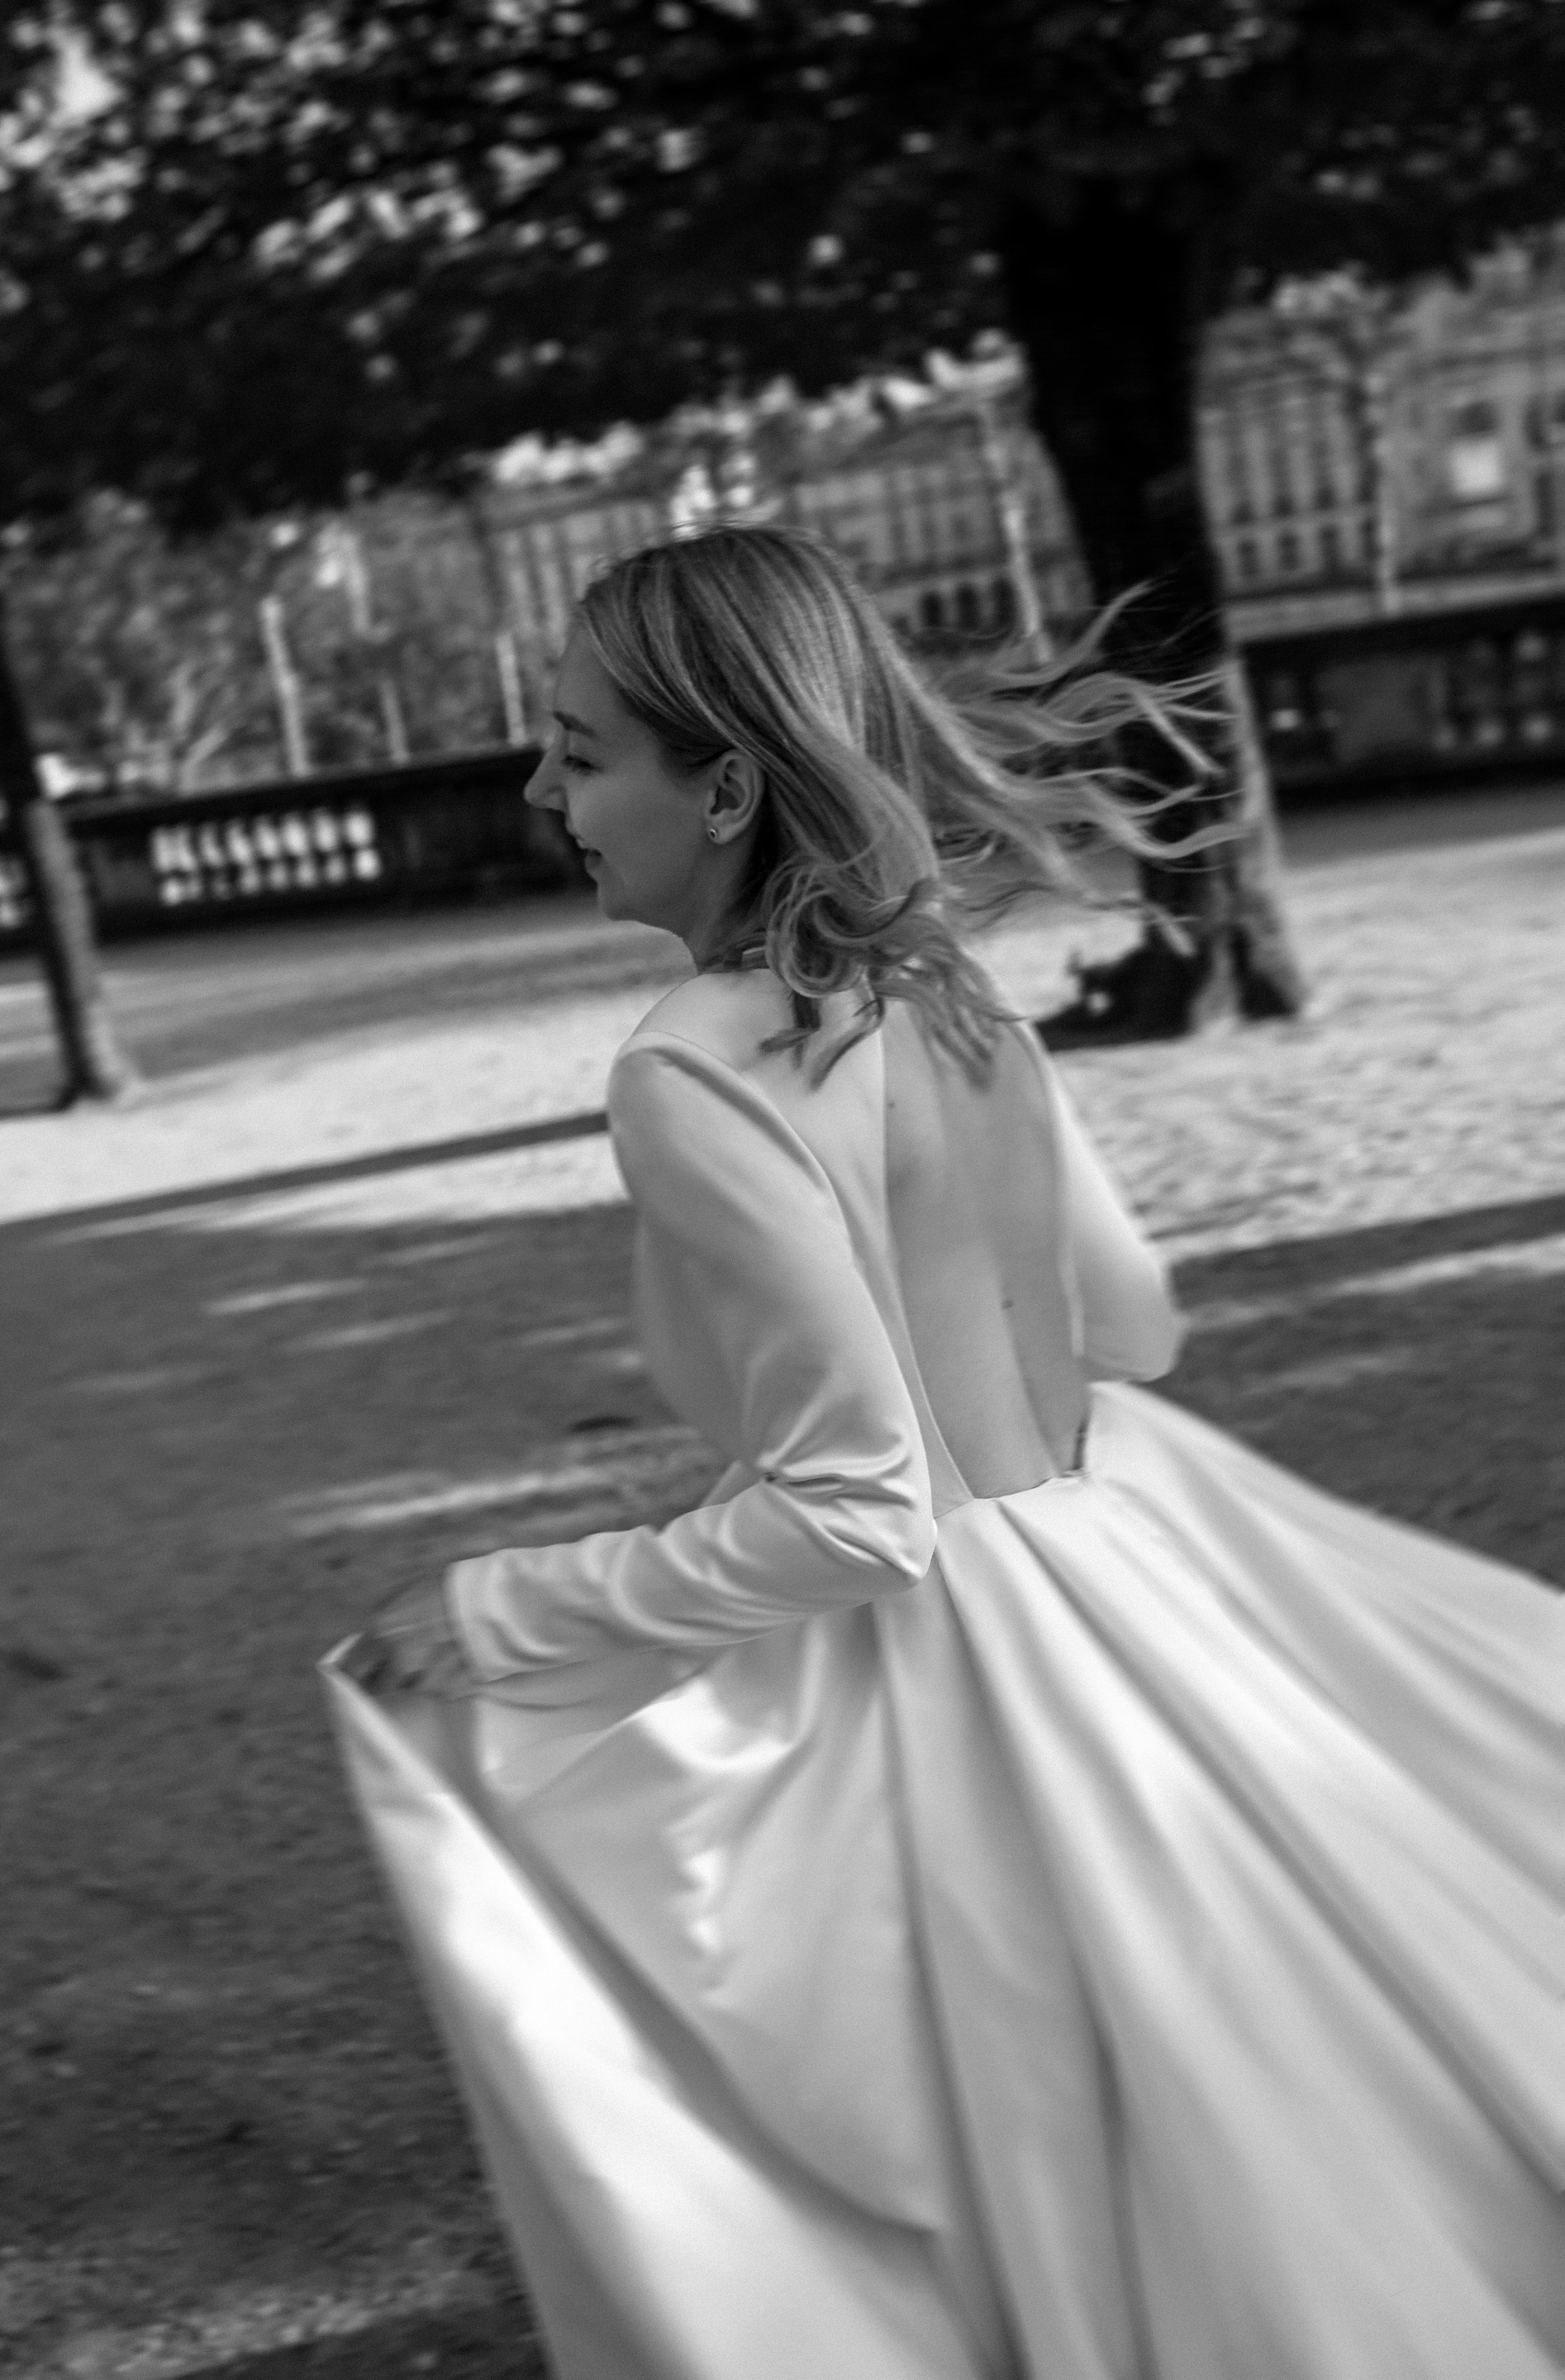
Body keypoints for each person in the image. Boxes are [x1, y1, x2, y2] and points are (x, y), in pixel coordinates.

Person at [324, 525, 1562, 2380]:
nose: (540, 793)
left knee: (1046, 2144)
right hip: (1123, 1558)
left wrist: (499, 1608)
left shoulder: (693, 1067)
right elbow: (1134, 1325)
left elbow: (860, 1512)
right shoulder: (951, 995)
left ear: (726, 787)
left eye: (579, 753)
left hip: (967, 1658)